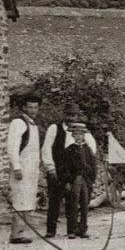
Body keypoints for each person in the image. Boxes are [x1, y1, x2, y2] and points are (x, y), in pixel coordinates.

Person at [41, 102, 97, 238]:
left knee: (74, 200)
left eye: (74, 115)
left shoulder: (84, 132)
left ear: (78, 116)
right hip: (58, 170)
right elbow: (46, 148)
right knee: (55, 200)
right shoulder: (55, 128)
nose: (71, 118)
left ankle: (73, 229)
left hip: (75, 173)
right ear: (64, 115)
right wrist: (50, 168)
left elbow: (92, 151)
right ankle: (51, 229)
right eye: (69, 115)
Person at [6, 85, 42, 244]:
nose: (33, 110)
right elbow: (12, 147)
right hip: (21, 169)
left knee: (28, 200)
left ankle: (22, 232)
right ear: (23, 108)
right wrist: (16, 167)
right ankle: (16, 234)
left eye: (35, 107)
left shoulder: (32, 124)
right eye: (30, 107)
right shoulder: (18, 123)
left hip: (31, 169)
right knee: (20, 200)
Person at [61, 120, 97, 239]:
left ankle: (83, 229)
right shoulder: (69, 150)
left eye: (81, 134)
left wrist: (91, 179)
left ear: (84, 135)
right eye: (76, 134)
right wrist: (66, 181)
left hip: (85, 180)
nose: (78, 136)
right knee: (73, 204)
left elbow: (93, 165)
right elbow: (65, 167)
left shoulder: (88, 149)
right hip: (74, 179)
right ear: (72, 135)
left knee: (84, 204)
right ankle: (72, 229)